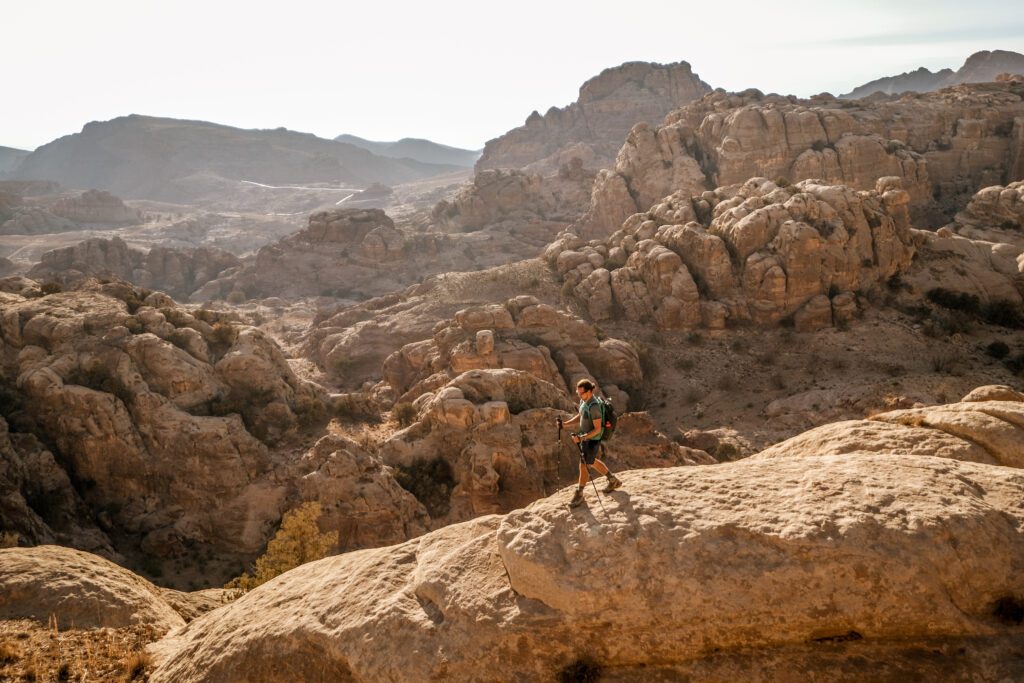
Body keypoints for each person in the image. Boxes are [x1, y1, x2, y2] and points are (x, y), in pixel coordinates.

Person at [559, 378, 622, 507]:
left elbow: (597, 429)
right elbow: (581, 415)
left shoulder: (594, 407)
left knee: (584, 465)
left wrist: (581, 438)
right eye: (578, 393)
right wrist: (565, 425)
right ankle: (612, 480)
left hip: (592, 439)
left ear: (590, 391)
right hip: (585, 438)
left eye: (582, 393)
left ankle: (579, 493)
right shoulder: (584, 401)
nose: (579, 395)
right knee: (591, 461)